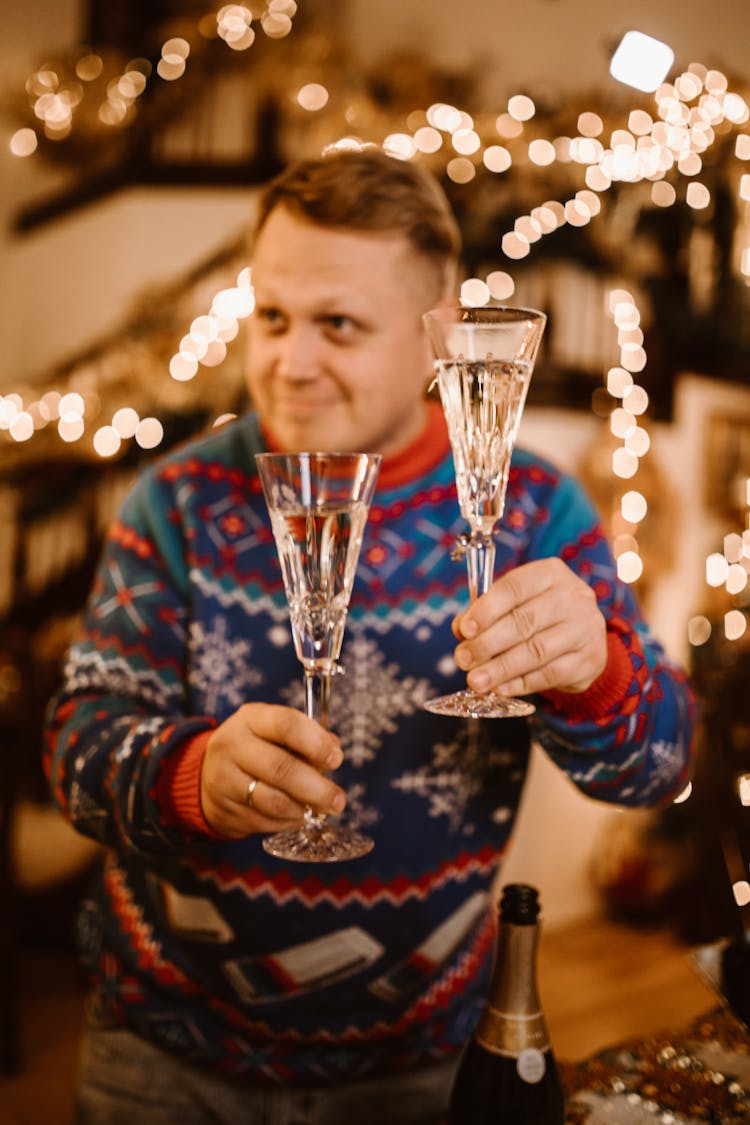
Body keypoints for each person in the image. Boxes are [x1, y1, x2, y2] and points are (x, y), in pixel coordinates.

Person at [44, 146, 696, 1124]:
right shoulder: (176, 500)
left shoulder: (535, 514)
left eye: (337, 324)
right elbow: (75, 746)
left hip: (422, 1067)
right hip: (166, 1056)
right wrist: (190, 776)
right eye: (272, 316)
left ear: (440, 333)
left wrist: (597, 672)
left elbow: (663, 767)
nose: (288, 362)